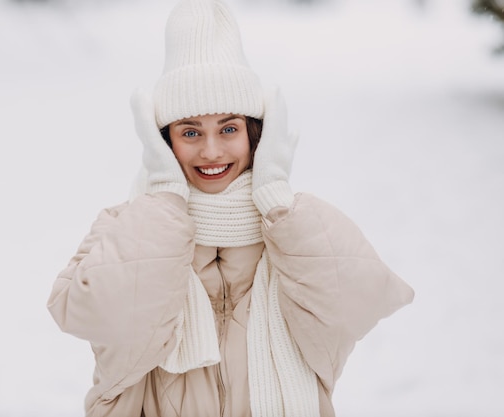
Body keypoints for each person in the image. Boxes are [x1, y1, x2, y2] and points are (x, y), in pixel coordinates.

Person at [47, 0, 414, 416]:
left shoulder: (292, 228)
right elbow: (105, 319)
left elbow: (354, 307)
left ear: (256, 133)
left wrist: (276, 199)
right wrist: (166, 204)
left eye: (228, 128)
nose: (211, 151)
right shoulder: (128, 224)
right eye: (190, 131)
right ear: (163, 142)